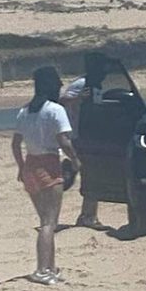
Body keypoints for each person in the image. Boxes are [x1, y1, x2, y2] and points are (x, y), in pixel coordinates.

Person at [12, 67, 82, 285]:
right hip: (48, 165)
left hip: (30, 165)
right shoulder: (55, 110)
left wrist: (21, 167)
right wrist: (76, 160)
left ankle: (50, 267)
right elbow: (64, 141)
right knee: (49, 223)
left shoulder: (24, 111)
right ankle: (42, 270)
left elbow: (15, 144)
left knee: (45, 219)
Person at [59, 75, 104, 229]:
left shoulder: (99, 84)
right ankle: (88, 216)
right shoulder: (82, 83)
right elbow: (62, 100)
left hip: (89, 134)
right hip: (78, 134)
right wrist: (78, 98)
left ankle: (88, 214)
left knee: (91, 173)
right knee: (91, 174)